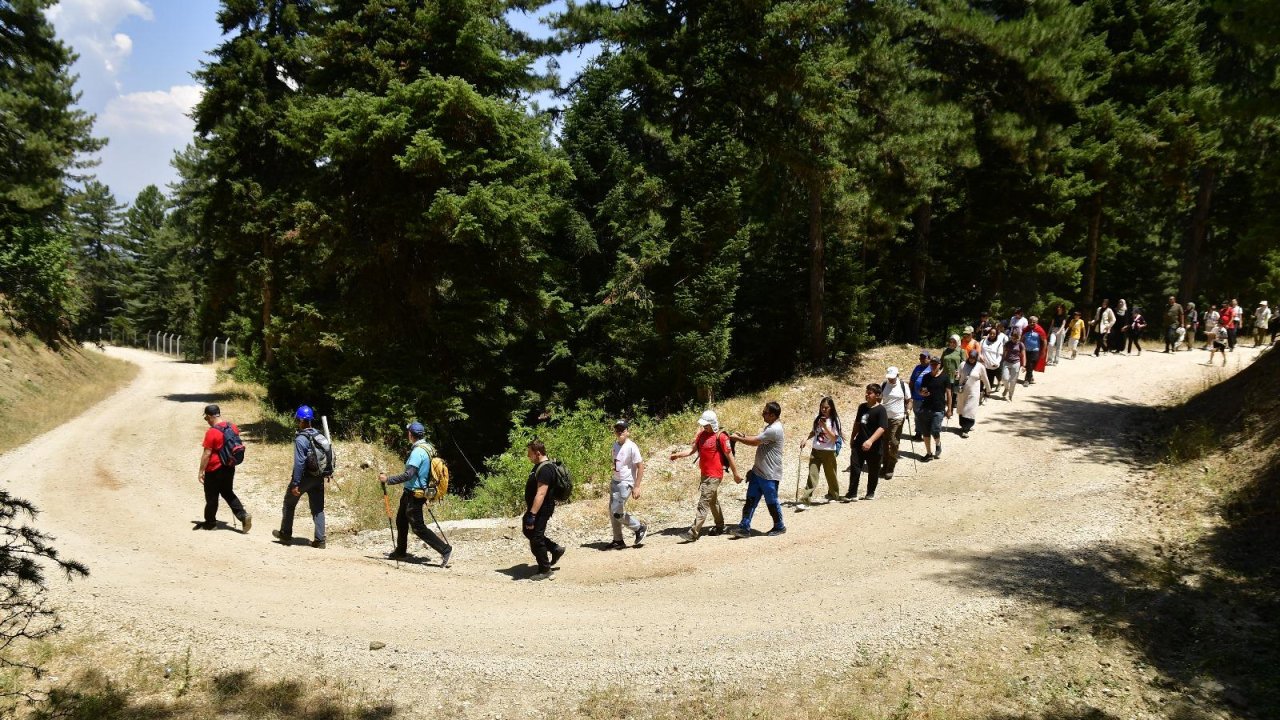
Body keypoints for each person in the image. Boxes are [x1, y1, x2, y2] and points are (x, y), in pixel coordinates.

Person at [380, 422, 453, 566]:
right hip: (412, 492)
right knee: (401, 521)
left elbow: (409, 474)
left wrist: (388, 479)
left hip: (415, 494)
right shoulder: (429, 447)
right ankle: (400, 551)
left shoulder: (418, 452)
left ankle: (445, 549)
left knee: (418, 527)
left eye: (408, 432)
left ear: (410, 434)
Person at [670, 410, 741, 540]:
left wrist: (736, 473)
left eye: (706, 425)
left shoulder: (721, 437)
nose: (704, 427)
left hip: (715, 475)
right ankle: (720, 526)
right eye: (703, 425)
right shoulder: (701, 435)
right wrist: (677, 455)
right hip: (704, 474)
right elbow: (691, 451)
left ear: (713, 424)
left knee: (703, 502)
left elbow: (729, 456)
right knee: (713, 501)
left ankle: (693, 532)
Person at [272, 405, 329, 548]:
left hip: (304, 478)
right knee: (318, 509)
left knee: (289, 503)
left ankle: (285, 534)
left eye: (298, 419)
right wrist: (327, 472)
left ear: (301, 420)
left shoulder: (301, 439)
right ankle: (320, 540)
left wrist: (296, 483)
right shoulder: (319, 435)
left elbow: (299, 463)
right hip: (319, 477)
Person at [730, 402, 786, 537]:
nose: (762, 414)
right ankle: (744, 527)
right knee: (750, 500)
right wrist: (743, 436)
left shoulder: (774, 429)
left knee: (771, 501)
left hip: (770, 474)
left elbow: (755, 442)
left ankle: (779, 526)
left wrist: (738, 438)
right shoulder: (770, 427)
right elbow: (757, 438)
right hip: (758, 472)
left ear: (773, 415)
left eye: (765, 412)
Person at [197, 404, 251, 532]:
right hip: (229, 466)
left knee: (212, 496)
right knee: (227, 492)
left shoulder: (212, 432)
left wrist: (201, 471)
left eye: (206, 418)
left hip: (214, 469)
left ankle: (210, 523)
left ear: (210, 416)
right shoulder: (232, 427)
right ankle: (243, 516)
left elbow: (207, 454)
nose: (207, 421)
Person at [522, 440, 566, 580]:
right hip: (537, 508)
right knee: (528, 531)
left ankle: (545, 569)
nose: (528, 456)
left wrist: (532, 515)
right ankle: (555, 549)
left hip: (541, 509)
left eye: (530, 453)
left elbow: (541, 493)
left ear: (537, 453)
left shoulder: (546, 469)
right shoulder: (539, 466)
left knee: (536, 538)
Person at [796, 397, 843, 510]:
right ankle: (805, 500)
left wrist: (825, 427)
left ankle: (834, 495)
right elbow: (814, 432)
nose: (823, 409)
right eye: (822, 407)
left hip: (829, 451)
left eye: (826, 407)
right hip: (816, 450)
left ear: (831, 408)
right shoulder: (817, 418)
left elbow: (834, 438)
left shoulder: (834, 420)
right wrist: (806, 438)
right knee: (812, 475)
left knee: (831, 475)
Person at [607, 420, 647, 549]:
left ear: (627, 432)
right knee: (612, 511)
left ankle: (639, 528)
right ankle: (618, 540)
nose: (620, 432)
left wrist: (637, 486)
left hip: (626, 482)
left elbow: (640, 466)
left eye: (622, 430)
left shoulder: (631, 446)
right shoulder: (615, 445)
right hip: (615, 481)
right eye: (617, 430)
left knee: (617, 512)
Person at [844, 384, 888, 500]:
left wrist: (870, 441)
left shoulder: (881, 410)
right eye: (866, 392)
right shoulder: (862, 407)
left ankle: (870, 492)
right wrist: (852, 437)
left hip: (875, 446)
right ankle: (852, 493)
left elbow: (882, 428)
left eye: (869, 393)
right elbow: (857, 423)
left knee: (873, 470)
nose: (866, 395)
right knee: (855, 468)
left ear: (877, 395)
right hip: (859, 443)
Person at [915, 354, 952, 460]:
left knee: (935, 430)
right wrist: (922, 393)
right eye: (932, 364)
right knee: (926, 432)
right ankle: (929, 453)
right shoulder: (926, 377)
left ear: (940, 365)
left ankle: (938, 444)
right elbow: (922, 390)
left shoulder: (945, 377)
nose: (934, 366)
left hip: (938, 408)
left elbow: (949, 393)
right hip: (926, 407)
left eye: (936, 364)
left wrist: (949, 409)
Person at [879, 366, 910, 480]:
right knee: (884, 442)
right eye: (889, 377)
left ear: (897, 375)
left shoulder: (903, 385)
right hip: (884, 418)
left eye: (892, 377)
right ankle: (885, 464)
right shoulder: (883, 385)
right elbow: (879, 400)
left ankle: (891, 466)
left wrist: (908, 409)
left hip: (898, 418)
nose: (890, 379)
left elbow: (909, 400)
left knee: (893, 441)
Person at [955, 349, 990, 438]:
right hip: (962, 391)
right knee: (962, 409)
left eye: (974, 358)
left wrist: (988, 389)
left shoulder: (980, 367)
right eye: (970, 357)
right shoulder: (962, 364)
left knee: (969, 409)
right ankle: (963, 425)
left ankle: (966, 429)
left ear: (976, 358)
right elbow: (958, 377)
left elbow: (985, 379)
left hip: (973, 392)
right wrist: (956, 375)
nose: (971, 359)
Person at [908, 351, 931, 441]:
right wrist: (910, 393)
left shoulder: (931, 368)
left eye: (924, 358)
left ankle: (926, 433)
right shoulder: (917, 367)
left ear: (929, 358)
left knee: (926, 416)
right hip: (916, 397)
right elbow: (912, 380)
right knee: (917, 416)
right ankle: (918, 433)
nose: (921, 359)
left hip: (927, 398)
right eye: (920, 358)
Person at [978, 326, 1006, 394]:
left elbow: (1000, 355)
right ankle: (980, 394)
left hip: (992, 365)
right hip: (983, 365)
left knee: (989, 382)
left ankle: (986, 395)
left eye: (994, 334)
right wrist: (980, 356)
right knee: (981, 381)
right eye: (991, 333)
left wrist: (997, 363)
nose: (992, 335)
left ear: (996, 335)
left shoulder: (999, 343)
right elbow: (979, 350)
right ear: (989, 333)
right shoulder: (983, 341)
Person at [1001, 329, 1027, 402]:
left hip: (1016, 363)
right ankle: (1006, 388)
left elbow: (1023, 355)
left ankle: (1010, 395)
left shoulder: (1021, 344)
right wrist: (1002, 361)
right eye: (1013, 337)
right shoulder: (1007, 343)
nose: (1015, 339)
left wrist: (1024, 365)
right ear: (1011, 337)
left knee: (1013, 381)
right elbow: (1004, 353)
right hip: (1007, 362)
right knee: (1004, 378)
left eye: (1016, 338)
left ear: (1019, 337)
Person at [1022, 316, 1048, 385]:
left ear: (1037, 322)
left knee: (1031, 364)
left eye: (1034, 322)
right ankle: (1028, 379)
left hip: (1035, 350)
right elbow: (1022, 339)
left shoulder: (1040, 330)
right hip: (1026, 350)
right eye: (1030, 322)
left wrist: (1044, 351)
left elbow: (1044, 340)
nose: (1032, 323)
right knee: (1029, 365)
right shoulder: (1025, 329)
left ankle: (1027, 379)